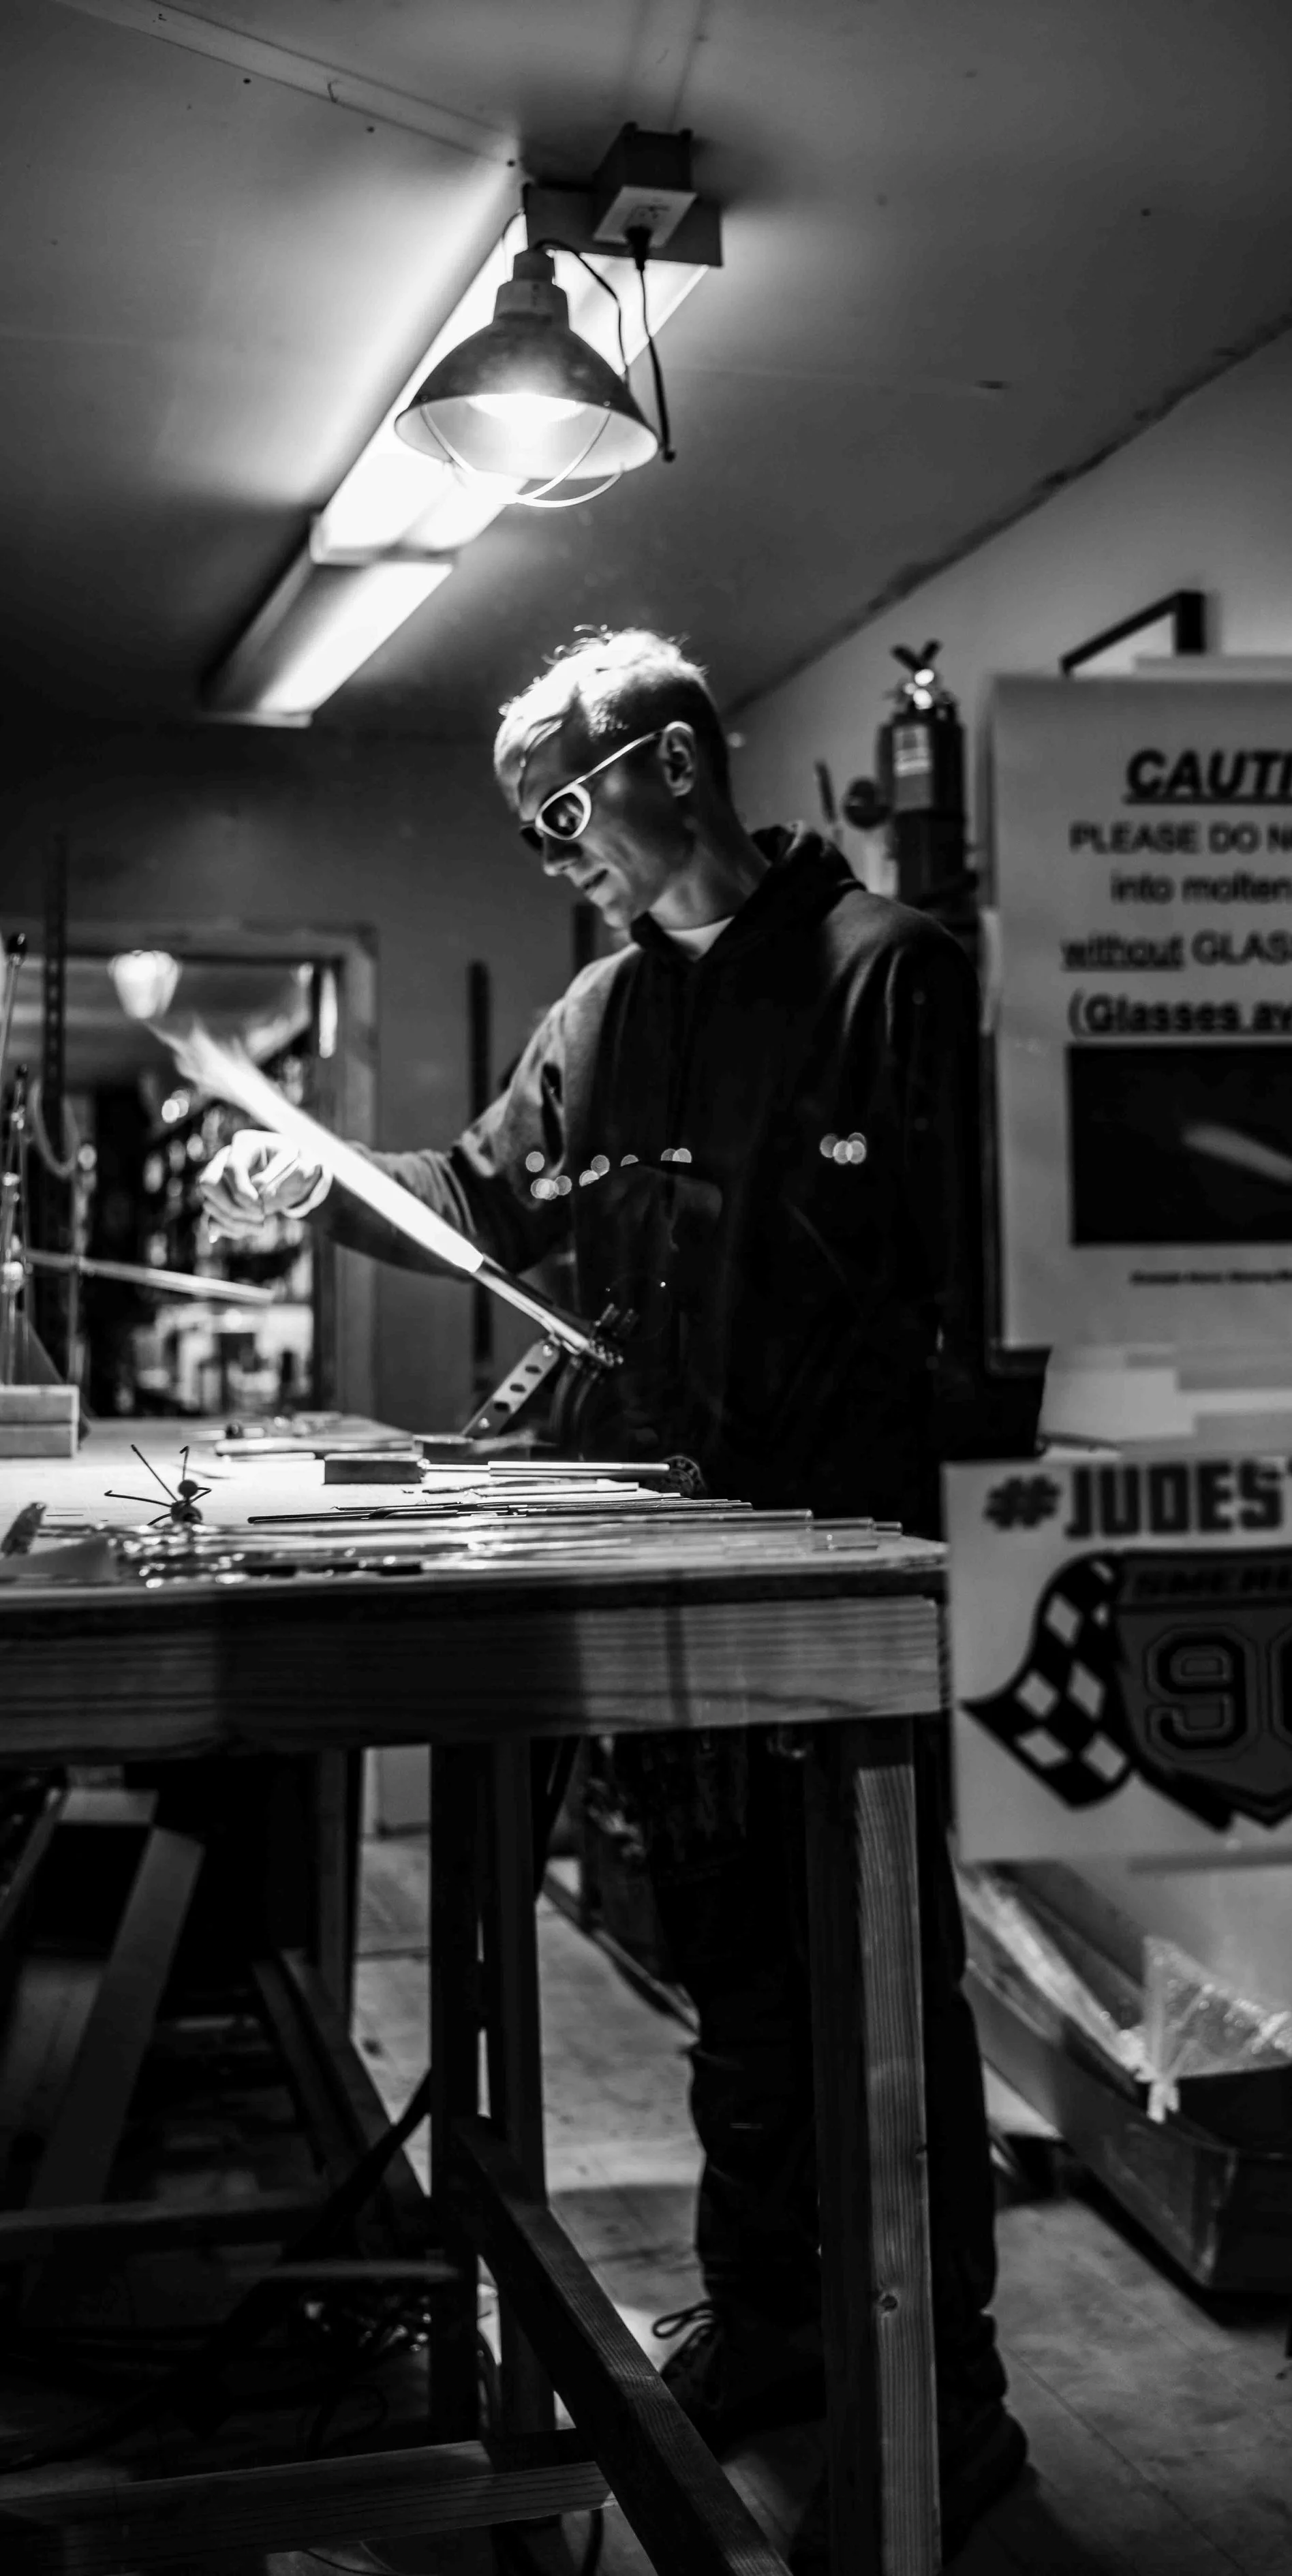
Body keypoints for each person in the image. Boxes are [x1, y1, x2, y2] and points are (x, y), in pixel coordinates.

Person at [200, 627, 1028, 2568]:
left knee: (875, 1974)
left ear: (674, 761)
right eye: (528, 829)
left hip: (843, 1576)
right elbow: (486, 1196)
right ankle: (767, 2316)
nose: (553, 850)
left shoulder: (892, 975)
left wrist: (926, 1548)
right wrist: (321, 1182)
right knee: (728, 1960)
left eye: (563, 807)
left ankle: (950, 2387)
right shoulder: (597, 1014)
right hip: (666, 1563)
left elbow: (984, 1307)